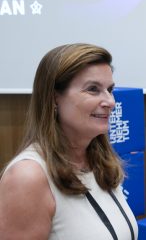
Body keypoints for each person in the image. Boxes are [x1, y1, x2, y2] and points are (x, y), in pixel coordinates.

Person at [0, 43, 138, 239]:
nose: (110, 102)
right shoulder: (27, 177)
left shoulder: (100, 163)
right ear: (55, 98)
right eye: (93, 89)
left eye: (110, 89)